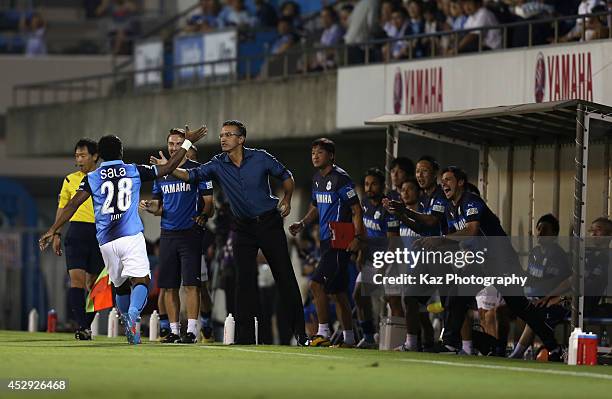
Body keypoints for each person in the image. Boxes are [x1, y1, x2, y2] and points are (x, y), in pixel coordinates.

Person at [39, 126, 208, 345]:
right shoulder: (134, 169)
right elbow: (168, 167)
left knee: (119, 286)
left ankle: (126, 318)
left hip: (106, 241)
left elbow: (73, 204)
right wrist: (187, 143)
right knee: (141, 281)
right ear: (121, 152)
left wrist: (53, 229)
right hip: (130, 235)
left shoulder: (92, 177)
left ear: (100, 154)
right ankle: (133, 315)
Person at [152, 120, 306, 345]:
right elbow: (189, 176)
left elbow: (286, 176)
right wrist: (170, 165)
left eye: (229, 134)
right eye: (221, 134)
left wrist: (287, 199)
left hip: (269, 223)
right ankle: (244, 337)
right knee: (242, 282)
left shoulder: (260, 157)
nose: (222, 138)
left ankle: (301, 334)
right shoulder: (217, 164)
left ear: (241, 139)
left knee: (285, 277)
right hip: (242, 227)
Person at [423, 166, 563, 361]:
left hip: (501, 260)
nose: (443, 183)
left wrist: (441, 240)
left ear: (461, 182)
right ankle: (450, 343)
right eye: (442, 181)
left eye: (448, 179)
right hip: (481, 262)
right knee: (456, 294)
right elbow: (453, 240)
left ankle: (554, 348)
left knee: (519, 306)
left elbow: (471, 231)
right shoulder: (450, 210)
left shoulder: (472, 201)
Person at [289, 138, 365, 348]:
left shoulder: (341, 179)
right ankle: (349, 338)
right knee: (337, 292)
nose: (315, 156)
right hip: (324, 241)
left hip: (339, 241)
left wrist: (357, 238)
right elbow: (315, 207)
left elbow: (356, 209)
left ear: (331, 155)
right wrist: (302, 223)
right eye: (313, 152)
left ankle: (322, 332)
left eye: (319, 152)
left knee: (316, 284)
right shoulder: (316, 179)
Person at [139, 129, 214, 344]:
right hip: (168, 234)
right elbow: (159, 205)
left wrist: (203, 215)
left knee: (192, 285)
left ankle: (192, 330)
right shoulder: (161, 174)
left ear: (187, 145)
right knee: (169, 286)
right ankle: (173, 330)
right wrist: (149, 206)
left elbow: (210, 204)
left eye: (178, 143)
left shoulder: (198, 171)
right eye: (171, 143)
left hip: (190, 234)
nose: (173, 147)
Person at [52, 139, 103, 340]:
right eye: (77, 156)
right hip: (76, 232)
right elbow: (62, 208)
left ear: (95, 156)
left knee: (95, 285)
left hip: (100, 234)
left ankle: (85, 325)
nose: (79, 160)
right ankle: (82, 326)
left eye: (83, 155)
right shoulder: (69, 180)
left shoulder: (104, 178)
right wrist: (56, 232)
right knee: (77, 281)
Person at [508, 213, 570, 359]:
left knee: (531, 314)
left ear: (554, 234)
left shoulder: (559, 256)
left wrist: (548, 297)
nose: (540, 233)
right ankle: (500, 348)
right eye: (539, 229)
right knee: (504, 309)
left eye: (545, 230)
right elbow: (530, 277)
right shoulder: (534, 252)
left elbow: (565, 283)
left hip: (549, 302)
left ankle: (517, 354)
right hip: (531, 297)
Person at [354, 167, 399, 349]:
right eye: (366, 184)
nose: (369, 187)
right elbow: (365, 233)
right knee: (358, 295)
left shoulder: (388, 208)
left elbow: (394, 242)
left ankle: (404, 340)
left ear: (381, 186)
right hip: (370, 260)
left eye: (373, 184)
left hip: (390, 261)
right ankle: (369, 337)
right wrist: (361, 254)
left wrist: (384, 266)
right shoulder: (364, 204)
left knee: (393, 301)